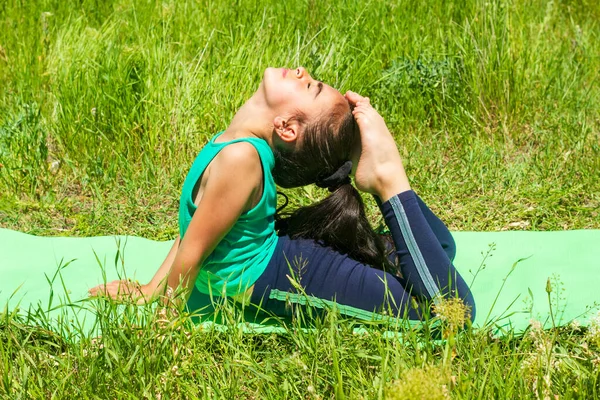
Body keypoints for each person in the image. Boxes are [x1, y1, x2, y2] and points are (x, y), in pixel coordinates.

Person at [89, 67, 475, 322]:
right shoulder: (238, 149)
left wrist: (164, 317)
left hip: (287, 276)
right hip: (279, 274)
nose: (302, 72)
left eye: (310, 86)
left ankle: (388, 179)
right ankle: (387, 179)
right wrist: (152, 292)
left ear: (287, 126)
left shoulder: (239, 155)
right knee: (440, 279)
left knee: (447, 301)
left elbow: (192, 248)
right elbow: (194, 234)